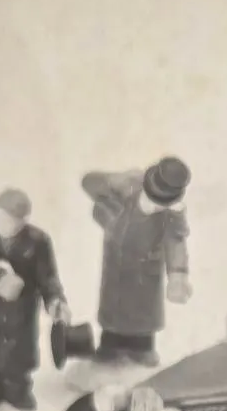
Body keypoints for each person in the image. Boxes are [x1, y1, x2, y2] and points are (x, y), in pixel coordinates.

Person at [81, 157, 193, 366]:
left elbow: (176, 243)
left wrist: (178, 275)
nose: (156, 207)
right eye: (153, 201)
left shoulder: (172, 214)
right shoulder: (125, 191)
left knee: (143, 314)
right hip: (116, 269)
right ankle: (110, 345)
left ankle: (142, 348)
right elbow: (87, 182)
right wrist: (113, 179)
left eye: (161, 204)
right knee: (113, 310)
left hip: (146, 275)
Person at [0, 189, 71, 411]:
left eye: (9, 219)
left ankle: (17, 389)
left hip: (20, 314)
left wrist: (55, 301)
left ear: (23, 220)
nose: (2, 224)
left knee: (18, 359)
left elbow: (48, 278)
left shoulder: (38, 241)